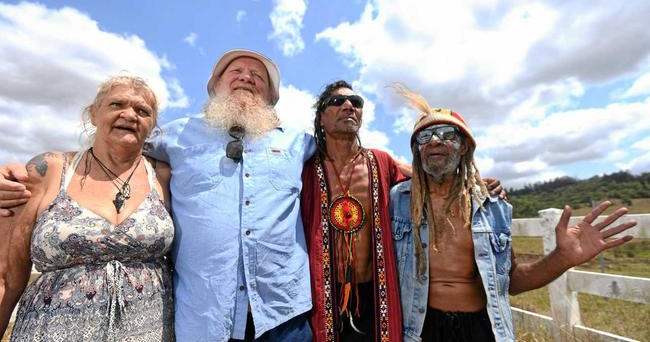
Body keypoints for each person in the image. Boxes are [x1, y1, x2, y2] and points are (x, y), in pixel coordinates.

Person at [0, 50, 314, 341]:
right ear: (215, 85)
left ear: (271, 95)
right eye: (236, 70)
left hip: (281, 317)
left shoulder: (300, 143)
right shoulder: (176, 137)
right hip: (203, 318)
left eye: (258, 76)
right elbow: (114, 150)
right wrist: (14, 171)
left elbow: (350, 158)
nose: (246, 77)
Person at [389, 87, 638, 342]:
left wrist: (562, 258)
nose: (433, 141)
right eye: (424, 136)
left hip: (482, 330)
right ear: (417, 150)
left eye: (446, 133)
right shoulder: (396, 201)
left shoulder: (492, 206)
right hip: (419, 331)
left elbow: (512, 281)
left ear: (464, 146)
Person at [301, 81, 505, 342]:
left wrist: (475, 182)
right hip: (324, 291)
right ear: (321, 117)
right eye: (337, 102)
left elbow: (429, 177)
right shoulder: (305, 169)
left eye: (356, 102)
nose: (349, 106)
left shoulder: (380, 162)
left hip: (377, 295)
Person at [0, 76, 174, 341]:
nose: (129, 114)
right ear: (94, 114)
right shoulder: (49, 170)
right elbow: (5, 278)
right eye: (117, 104)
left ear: (152, 127)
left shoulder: (164, 178)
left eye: (142, 111)